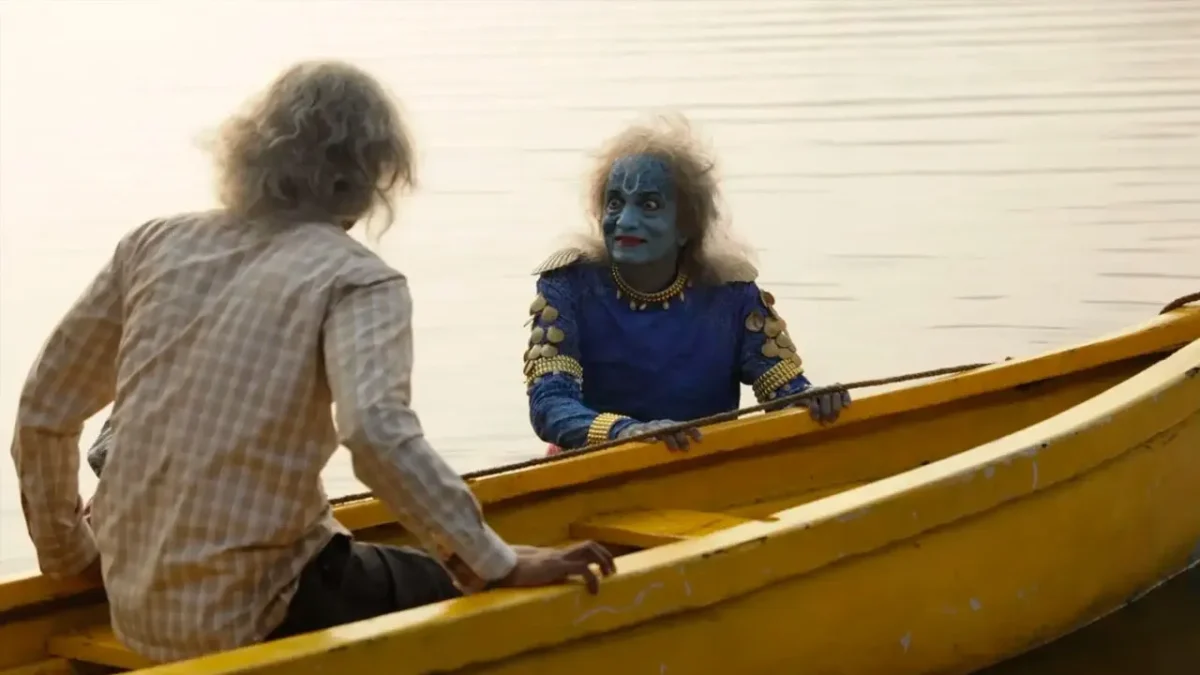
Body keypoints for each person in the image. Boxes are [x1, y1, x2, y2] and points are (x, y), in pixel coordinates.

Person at [9, 60, 614, 664]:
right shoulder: (357, 279)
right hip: (262, 608)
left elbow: (44, 411)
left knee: (377, 558)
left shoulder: (153, 244)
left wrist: (69, 554)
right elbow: (375, 432)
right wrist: (495, 562)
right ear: (371, 175)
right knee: (456, 588)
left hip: (136, 610)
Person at [524, 115, 850, 455]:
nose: (625, 221)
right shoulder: (568, 284)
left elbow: (783, 391)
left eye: (649, 205)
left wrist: (812, 400)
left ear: (686, 227)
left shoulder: (732, 293)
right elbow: (549, 403)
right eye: (615, 203)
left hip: (705, 467)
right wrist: (624, 432)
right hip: (594, 469)